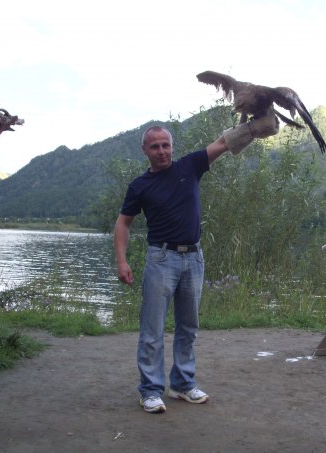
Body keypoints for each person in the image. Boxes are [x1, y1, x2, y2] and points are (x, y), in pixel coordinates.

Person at [114, 110, 279, 414]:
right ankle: (150, 390)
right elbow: (123, 223)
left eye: (165, 145)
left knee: (188, 327)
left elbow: (222, 143)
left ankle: (182, 384)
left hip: (194, 257)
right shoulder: (140, 185)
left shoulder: (189, 166)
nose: (161, 151)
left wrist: (254, 127)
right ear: (144, 150)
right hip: (161, 259)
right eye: (155, 146)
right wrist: (122, 261)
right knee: (152, 329)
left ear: (172, 146)